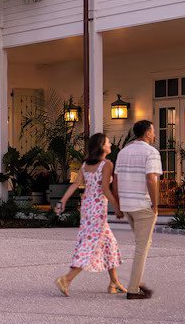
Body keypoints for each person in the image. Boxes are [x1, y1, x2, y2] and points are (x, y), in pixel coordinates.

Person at [52, 133, 125, 296]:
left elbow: (77, 184)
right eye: (108, 142)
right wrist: (117, 208)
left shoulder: (85, 165)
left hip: (87, 208)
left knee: (109, 243)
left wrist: (62, 201)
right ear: (101, 146)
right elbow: (105, 189)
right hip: (98, 209)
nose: (110, 145)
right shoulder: (107, 164)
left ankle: (114, 282)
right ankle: (67, 279)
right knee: (89, 245)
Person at [114, 119, 162, 300]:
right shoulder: (151, 152)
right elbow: (151, 179)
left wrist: (119, 205)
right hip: (142, 205)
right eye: (153, 131)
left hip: (127, 205)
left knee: (143, 243)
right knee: (142, 247)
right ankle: (133, 288)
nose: (155, 134)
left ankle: (137, 281)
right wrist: (155, 205)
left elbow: (116, 180)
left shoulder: (123, 152)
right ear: (148, 133)